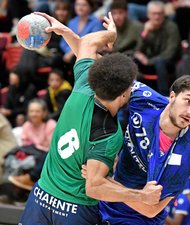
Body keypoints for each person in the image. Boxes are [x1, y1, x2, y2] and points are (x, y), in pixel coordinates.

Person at [18, 11, 162, 225]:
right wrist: (141, 196)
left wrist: (110, 34)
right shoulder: (110, 133)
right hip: (75, 209)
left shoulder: (83, 85)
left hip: (41, 196)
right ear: (123, 93)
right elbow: (94, 187)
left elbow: (87, 43)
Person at [98, 75, 190, 224]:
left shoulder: (186, 154)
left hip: (136, 218)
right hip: (103, 199)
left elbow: (151, 210)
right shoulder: (147, 99)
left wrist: (104, 183)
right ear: (172, 97)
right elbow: (107, 73)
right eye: (188, 101)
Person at [134, 1, 181, 96]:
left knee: (160, 62)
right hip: (151, 63)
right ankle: (134, 96)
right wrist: (145, 33)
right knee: (132, 60)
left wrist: (149, 61)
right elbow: (138, 51)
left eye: (160, 13)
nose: (157, 17)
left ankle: (163, 97)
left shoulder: (172, 27)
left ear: (164, 14)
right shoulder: (145, 27)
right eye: (154, 14)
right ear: (148, 15)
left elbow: (170, 53)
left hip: (168, 64)